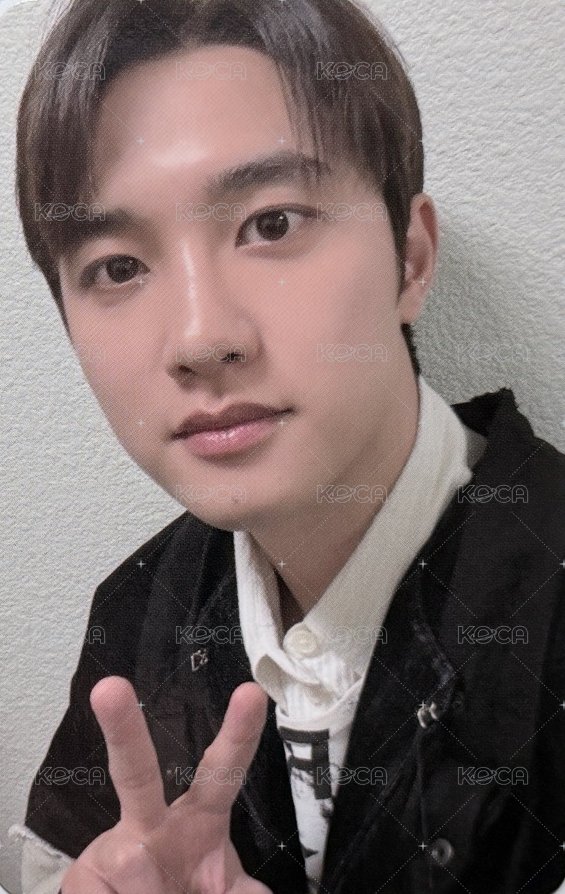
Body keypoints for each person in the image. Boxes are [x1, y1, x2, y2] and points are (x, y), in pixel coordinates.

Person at [8, 0, 565, 891]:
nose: (200, 337)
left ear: (410, 258)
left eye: (271, 223)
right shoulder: (135, 615)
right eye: (118, 267)